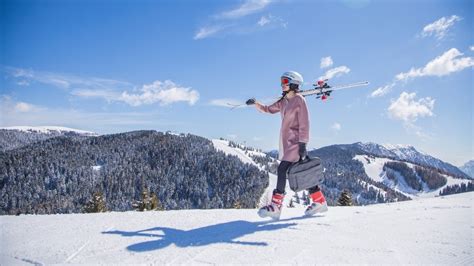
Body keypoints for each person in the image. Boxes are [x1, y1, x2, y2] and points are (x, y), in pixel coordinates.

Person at [246, 71, 328, 219]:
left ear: (294, 83)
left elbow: (305, 123)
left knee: (282, 169)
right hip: (286, 142)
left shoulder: (300, 100)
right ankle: (319, 201)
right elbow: (268, 110)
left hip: (296, 142)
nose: (282, 85)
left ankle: (276, 206)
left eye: (285, 81)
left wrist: (303, 143)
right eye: (282, 82)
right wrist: (256, 104)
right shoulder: (283, 101)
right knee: (302, 171)